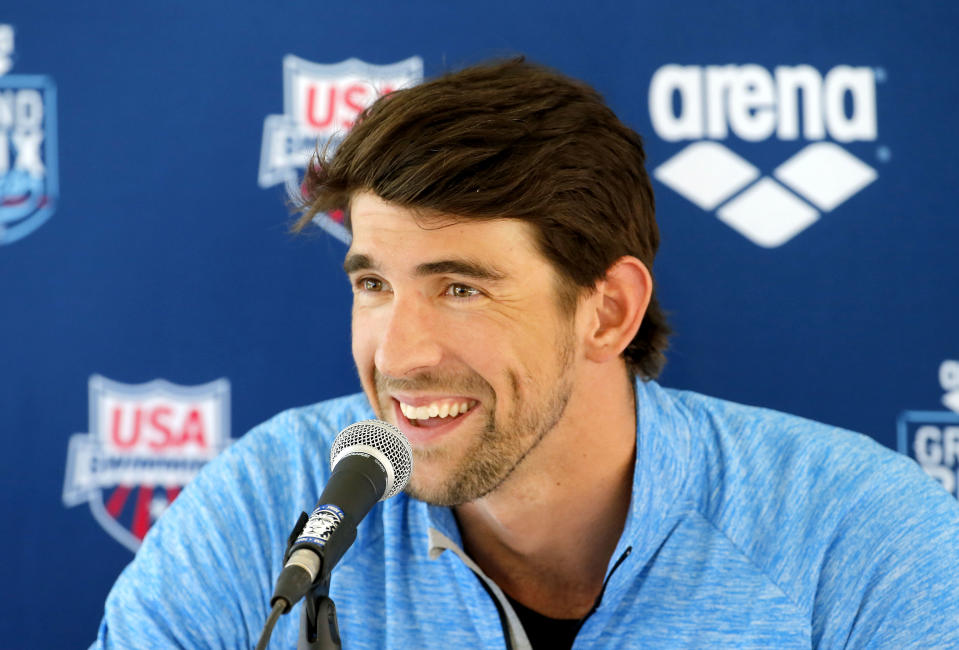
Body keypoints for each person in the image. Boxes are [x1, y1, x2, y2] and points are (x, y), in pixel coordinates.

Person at [93, 59, 959, 649]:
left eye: (460, 288)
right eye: (372, 285)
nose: (398, 355)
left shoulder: (857, 537)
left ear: (607, 310)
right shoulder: (267, 503)